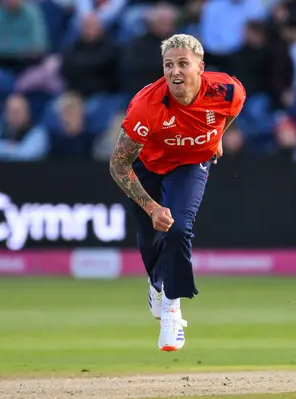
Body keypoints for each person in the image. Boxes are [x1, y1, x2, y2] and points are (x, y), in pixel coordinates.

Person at [109, 34, 246, 351]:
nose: (175, 72)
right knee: (150, 241)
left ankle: (172, 306)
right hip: (147, 167)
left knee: (179, 229)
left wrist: (216, 137)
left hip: (191, 164)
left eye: (183, 64)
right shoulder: (147, 106)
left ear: (201, 67)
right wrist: (151, 207)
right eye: (168, 65)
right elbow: (118, 164)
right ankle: (156, 283)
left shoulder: (227, 91)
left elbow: (233, 110)